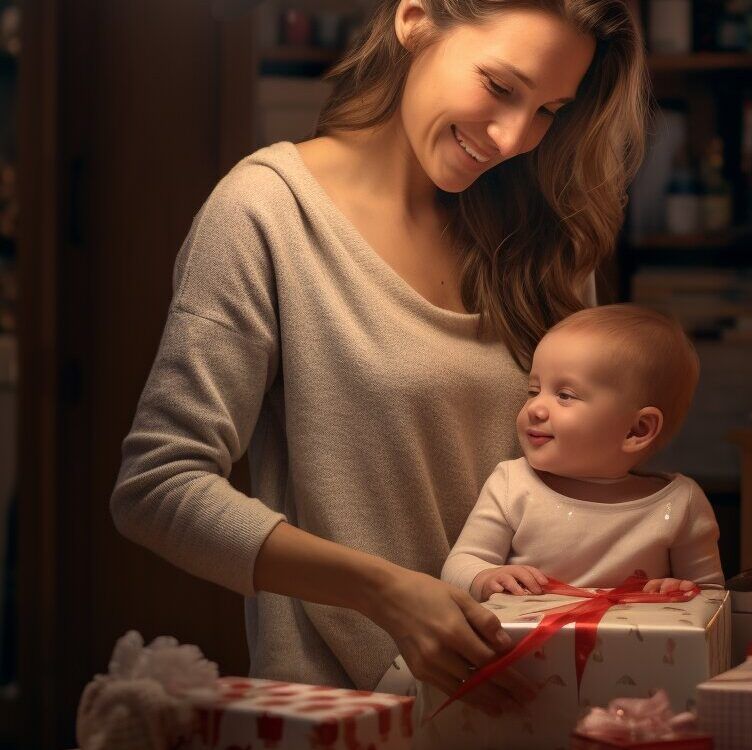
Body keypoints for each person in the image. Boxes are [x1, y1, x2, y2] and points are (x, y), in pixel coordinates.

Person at [110, 0, 649, 716]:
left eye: (549, 109)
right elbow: (157, 488)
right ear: (415, 20)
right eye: (499, 87)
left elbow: (576, 476)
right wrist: (387, 592)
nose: (515, 137)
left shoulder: (543, 239)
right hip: (349, 713)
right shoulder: (266, 214)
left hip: (538, 704)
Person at [441, 304, 724, 602]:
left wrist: (683, 590)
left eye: (564, 395)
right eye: (534, 390)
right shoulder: (512, 485)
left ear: (637, 430)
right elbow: (458, 565)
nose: (535, 408)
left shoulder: (680, 505)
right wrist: (485, 577)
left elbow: (713, 600)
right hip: (527, 647)